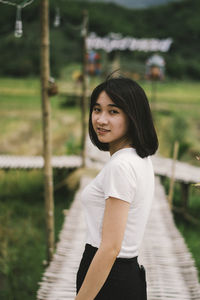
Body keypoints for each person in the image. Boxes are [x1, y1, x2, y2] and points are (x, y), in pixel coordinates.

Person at [75, 75, 158, 300]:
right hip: (125, 274)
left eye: (113, 111)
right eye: (96, 109)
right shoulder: (139, 159)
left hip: (109, 279)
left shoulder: (121, 166)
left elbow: (111, 247)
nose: (101, 120)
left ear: (133, 116)